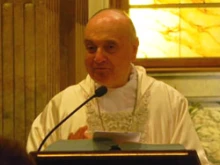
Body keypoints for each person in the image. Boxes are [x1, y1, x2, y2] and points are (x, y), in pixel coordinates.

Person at [26, 8, 211, 165]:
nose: (98, 58)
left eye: (110, 47)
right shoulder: (64, 106)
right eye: (91, 48)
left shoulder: (168, 102)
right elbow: (31, 159)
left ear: (134, 49)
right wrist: (63, 154)